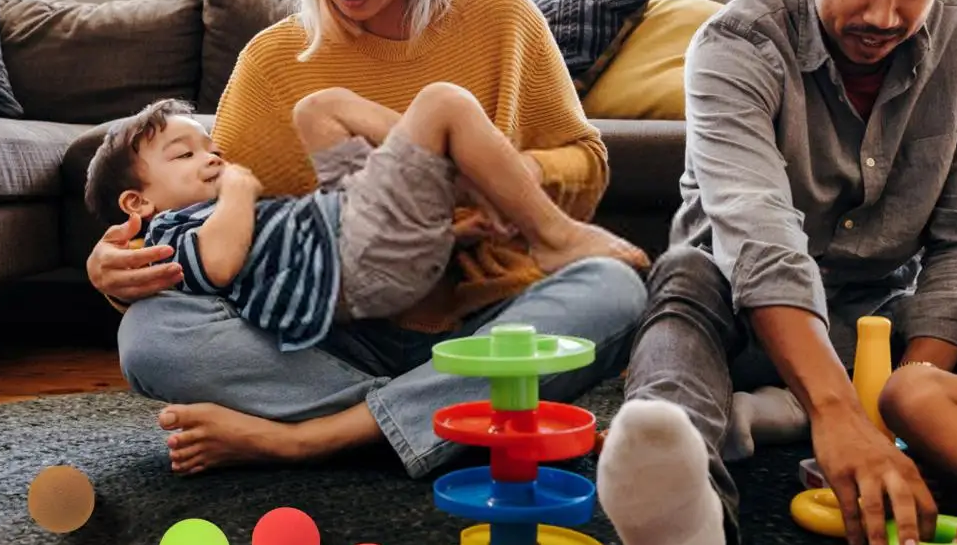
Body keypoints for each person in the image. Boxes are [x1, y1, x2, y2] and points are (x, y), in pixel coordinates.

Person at [84, 0, 649, 477]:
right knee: (149, 339)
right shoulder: (273, 60)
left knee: (612, 289)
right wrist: (119, 276)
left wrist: (499, 175)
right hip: (335, 335)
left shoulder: (501, 17)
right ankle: (446, 419)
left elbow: (585, 161)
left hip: (491, 323)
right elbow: (216, 226)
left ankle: (311, 436)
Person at [597, 0, 957, 545]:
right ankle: (687, 498)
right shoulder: (733, 44)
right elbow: (757, 234)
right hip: (737, 304)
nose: (883, 12)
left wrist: (910, 400)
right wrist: (838, 415)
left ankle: (775, 416)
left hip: (880, 318)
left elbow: (955, 249)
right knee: (681, 283)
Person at [83, 97, 647, 353]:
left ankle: (475, 179)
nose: (213, 157)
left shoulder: (500, 14)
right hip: (353, 264)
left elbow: (586, 158)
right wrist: (238, 188)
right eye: (186, 156)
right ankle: (552, 235)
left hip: (358, 241)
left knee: (315, 110)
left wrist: (451, 231)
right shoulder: (178, 230)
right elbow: (219, 263)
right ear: (138, 204)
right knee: (444, 105)